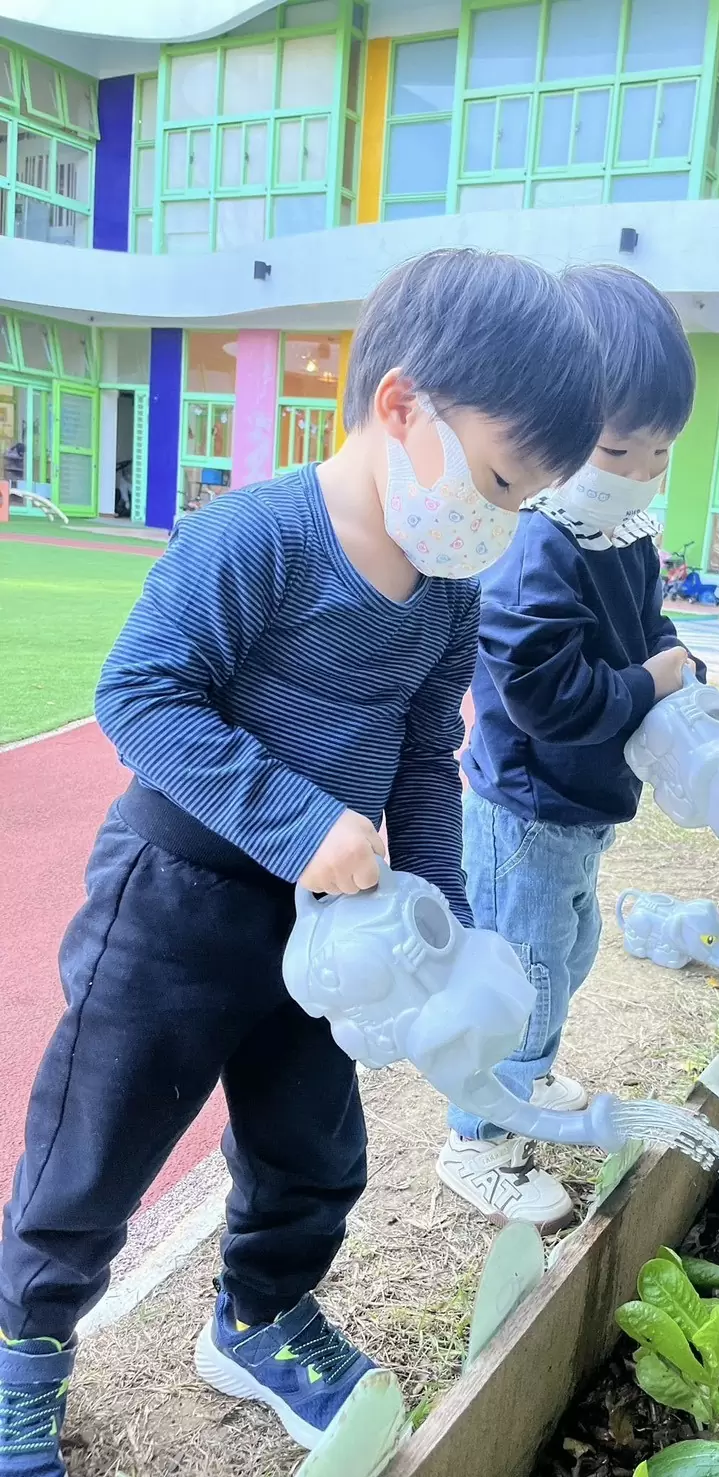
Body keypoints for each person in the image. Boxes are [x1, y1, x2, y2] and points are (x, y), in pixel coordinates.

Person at [0, 248, 605, 1476]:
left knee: (314, 1151)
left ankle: (261, 1316)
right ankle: (23, 1353)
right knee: (93, 1151)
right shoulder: (258, 537)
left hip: (337, 933)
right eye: (499, 481)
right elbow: (140, 696)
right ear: (401, 406)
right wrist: (298, 821)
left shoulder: (446, 589)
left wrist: (445, 924)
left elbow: (424, 759)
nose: (500, 522)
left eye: (527, 501)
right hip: (173, 905)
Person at [437, 264, 703, 1231]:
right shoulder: (535, 540)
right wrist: (649, 684)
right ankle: (479, 1139)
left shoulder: (619, 531)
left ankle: (528, 1073)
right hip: (525, 809)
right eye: (616, 448)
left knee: (569, 953)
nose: (639, 470)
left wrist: (683, 672)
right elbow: (544, 693)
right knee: (523, 979)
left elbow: (651, 632)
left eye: (659, 451)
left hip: (580, 808)